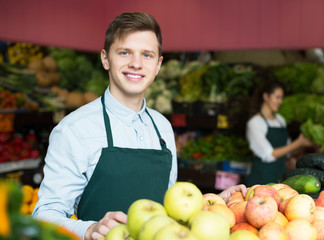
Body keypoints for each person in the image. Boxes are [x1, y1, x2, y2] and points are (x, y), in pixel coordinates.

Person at [32, 12, 247, 240]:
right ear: (105, 59)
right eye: (125, 52)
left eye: (147, 55)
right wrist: (88, 230)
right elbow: (44, 214)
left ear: (158, 65)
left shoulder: (162, 127)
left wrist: (212, 205)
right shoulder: (74, 130)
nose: (136, 64)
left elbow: (168, 212)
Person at [245, 80, 314, 186]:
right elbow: (269, 154)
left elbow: (287, 151)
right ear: (266, 97)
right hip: (262, 178)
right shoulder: (255, 123)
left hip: (281, 177)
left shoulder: (280, 120)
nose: (280, 101)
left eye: (281, 98)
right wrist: (298, 143)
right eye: (277, 97)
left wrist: (304, 145)